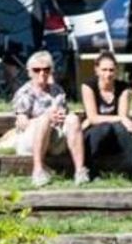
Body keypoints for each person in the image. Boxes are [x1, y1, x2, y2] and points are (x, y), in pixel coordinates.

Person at [9, 50, 88, 187]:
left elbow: (65, 113)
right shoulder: (24, 93)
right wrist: (46, 117)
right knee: (44, 120)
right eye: (37, 70)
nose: (42, 73)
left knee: (73, 119)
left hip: (55, 136)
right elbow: (22, 123)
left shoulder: (57, 90)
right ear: (29, 72)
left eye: (46, 69)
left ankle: (80, 171)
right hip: (30, 140)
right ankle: (38, 171)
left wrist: (62, 116)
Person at [80, 52, 132, 182]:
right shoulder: (88, 86)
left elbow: (122, 117)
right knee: (106, 127)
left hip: (115, 139)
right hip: (93, 138)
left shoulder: (123, 88)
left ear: (116, 71)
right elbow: (93, 118)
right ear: (96, 70)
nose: (108, 74)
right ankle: (91, 170)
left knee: (118, 127)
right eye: (104, 70)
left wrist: (121, 119)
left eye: (111, 70)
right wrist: (120, 118)